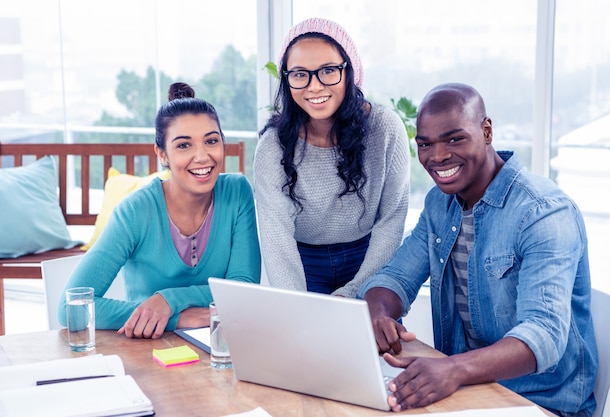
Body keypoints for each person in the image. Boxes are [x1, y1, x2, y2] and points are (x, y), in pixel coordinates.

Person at [357, 82, 597, 416]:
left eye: (454, 139)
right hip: (468, 394)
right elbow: (397, 276)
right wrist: (378, 313)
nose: (438, 156)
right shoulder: (440, 204)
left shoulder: (542, 212)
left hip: (540, 403)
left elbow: (543, 335)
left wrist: (453, 369)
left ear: (486, 131)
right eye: (425, 144)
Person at [58, 82, 261, 339]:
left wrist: (169, 299)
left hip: (218, 346)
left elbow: (243, 289)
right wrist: (176, 319)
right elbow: (69, 308)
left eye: (211, 141)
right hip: (147, 350)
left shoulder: (237, 192)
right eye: (184, 145)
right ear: (162, 154)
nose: (202, 157)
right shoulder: (134, 212)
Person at [254, 17, 411, 297]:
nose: (314, 86)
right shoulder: (272, 147)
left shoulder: (385, 128)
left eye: (328, 70)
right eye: (300, 74)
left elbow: (391, 220)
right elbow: (277, 241)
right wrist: (298, 306)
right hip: (303, 263)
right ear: (287, 79)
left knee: (377, 340)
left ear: (349, 71)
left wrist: (354, 292)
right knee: (303, 338)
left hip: (369, 257)